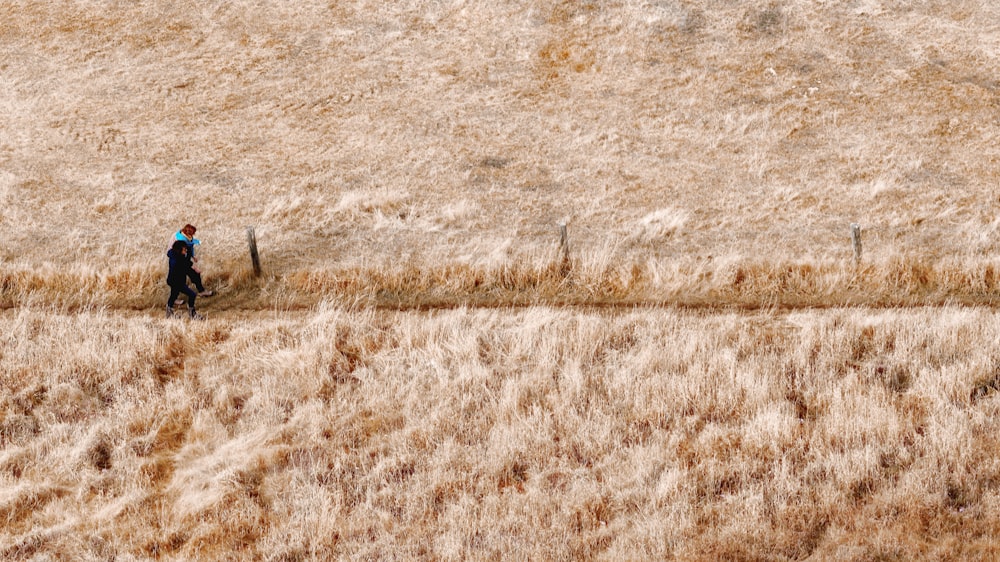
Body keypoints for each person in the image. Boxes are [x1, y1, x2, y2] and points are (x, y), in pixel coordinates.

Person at [166, 240, 204, 320]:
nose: (186, 250)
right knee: (192, 295)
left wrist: (192, 267)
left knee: (173, 295)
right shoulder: (176, 261)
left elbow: (186, 263)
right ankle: (192, 314)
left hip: (173, 280)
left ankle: (169, 312)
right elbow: (185, 266)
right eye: (184, 249)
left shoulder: (177, 256)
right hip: (177, 282)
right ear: (179, 250)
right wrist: (194, 269)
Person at [174, 224, 213, 297]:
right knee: (180, 280)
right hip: (180, 263)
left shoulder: (187, 237)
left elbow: (189, 248)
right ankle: (173, 299)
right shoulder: (181, 241)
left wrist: (192, 256)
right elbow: (183, 259)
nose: (193, 234)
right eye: (193, 233)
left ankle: (201, 291)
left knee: (194, 276)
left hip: (184, 262)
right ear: (188, 233)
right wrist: (194, 267)